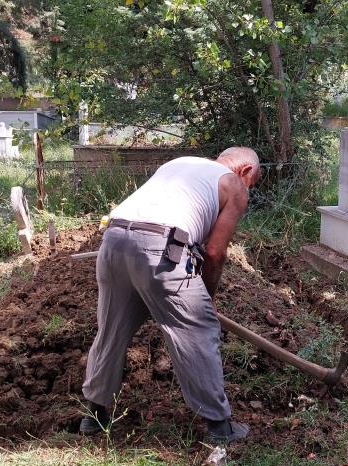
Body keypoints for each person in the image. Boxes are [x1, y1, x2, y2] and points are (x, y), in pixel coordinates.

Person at [80, 147, 261, 445]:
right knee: (198, 330)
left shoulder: (181, 163)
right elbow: (215, 253)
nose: (248, 190)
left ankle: (94, 415)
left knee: (111, 331)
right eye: (251, 184)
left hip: (113, 241)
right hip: (160, 248)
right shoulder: (234, 185)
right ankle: (219, 427)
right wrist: (206, 299)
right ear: (246, 171)